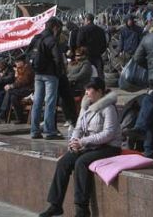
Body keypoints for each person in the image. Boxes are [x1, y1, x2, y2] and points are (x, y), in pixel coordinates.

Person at [38, 78, 121, 217]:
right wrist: (73, 141)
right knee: (64, 162)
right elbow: (78, 128)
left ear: (100, 91)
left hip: (109, 146)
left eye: (90, 90)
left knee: (81, 163)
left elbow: (108, 134)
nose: (86, 93)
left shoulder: (108, 107)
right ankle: (55, 205)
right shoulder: (86, 105)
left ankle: (82, 210)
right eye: (86, 90)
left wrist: (82, 142)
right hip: (90, 144)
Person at [28, 17, 65, 140]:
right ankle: (49, 132)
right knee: (50, 102)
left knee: (37, 102)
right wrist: (60, 72)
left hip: (38, 74)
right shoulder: (52, 40)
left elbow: (28, 54)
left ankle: (34, 131)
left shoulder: (36, 38)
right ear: (55, 27)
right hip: (50, 75)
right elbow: (58, 59)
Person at [0, 57, 34, 124]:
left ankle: (3, 112)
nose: (16, 63)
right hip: (20, 89)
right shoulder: (18, 69)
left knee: (10, 91)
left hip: (28, 89)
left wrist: (12, 86)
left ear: (22, 62)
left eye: (17, 62)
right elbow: (16, 81)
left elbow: (24, 81)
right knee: (13, 98)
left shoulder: (28, 69)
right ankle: (20, 118)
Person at [76, 14, 108, 79]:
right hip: (97, 55)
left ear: (87, 20)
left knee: (86, 74)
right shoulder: (100, 30)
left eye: (84, 20)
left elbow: (78, 43)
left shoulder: (82, 29)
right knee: (99, 74)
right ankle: (99, 87)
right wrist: (100, 51)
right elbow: (104, 44)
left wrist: (82, 52)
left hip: (86, 56)